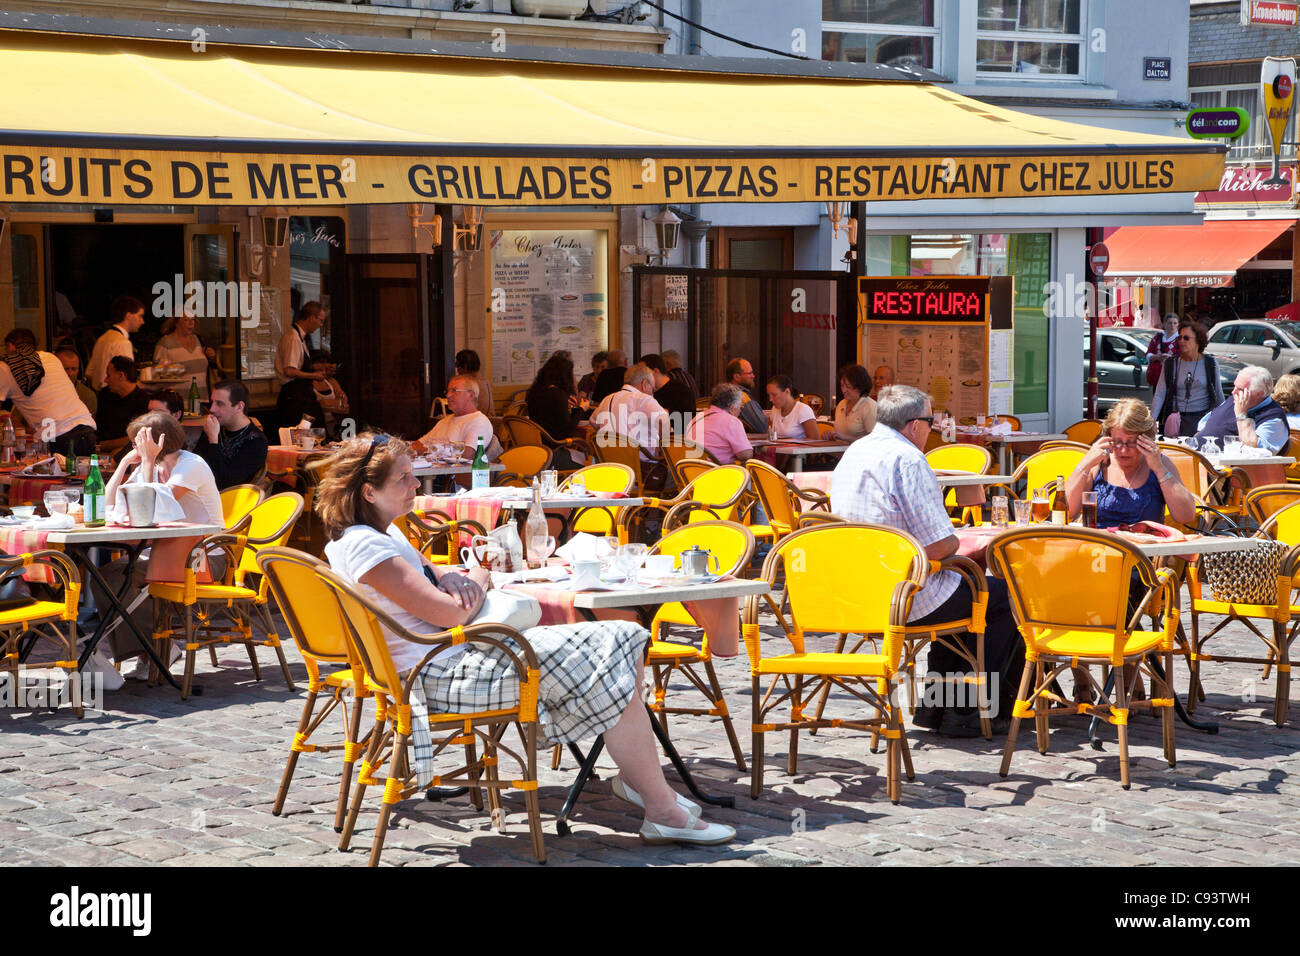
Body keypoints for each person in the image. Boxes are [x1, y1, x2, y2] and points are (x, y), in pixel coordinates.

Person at [319, 433, 735, 845]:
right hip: (442, 676)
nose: (415, 485)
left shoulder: (374, 535)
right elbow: (449, 612)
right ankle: (658, 805)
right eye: (404, 479)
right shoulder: (367, 547)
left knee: (621, 640)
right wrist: (479, 575)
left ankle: (642, 784)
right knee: (622, 639)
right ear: (370, 492)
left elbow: (429, 570)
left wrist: (449, 574)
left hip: (451, 659)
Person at [829, 385, 1024, 737]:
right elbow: (938, 544)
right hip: (904, 593)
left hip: (857, 591)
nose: (931, 430)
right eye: (931, 422)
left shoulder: (856, 450)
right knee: (1006, 596)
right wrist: (967, 546)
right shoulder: (908, 459)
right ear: (914, 425)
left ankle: (936, 710)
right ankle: (967, 711)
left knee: (962, 585)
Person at [97, 412, 225, 679]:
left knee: (128, 575)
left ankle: (156, 650)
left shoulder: (191, 465)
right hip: (166, 553)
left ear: (157, 442)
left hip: (204, 556)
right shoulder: (151, 467)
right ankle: (152, 650)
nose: (134, 447)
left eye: (137, 442)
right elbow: (106, 505)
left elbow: (150, 508)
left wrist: (146, 462)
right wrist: (123, 465)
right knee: (108, 575)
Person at [1065, 398, 1196, 528]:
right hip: (1100, 546)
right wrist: (1086, 463)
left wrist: (1159, 469)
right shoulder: (1099, 464)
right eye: (1117, 441)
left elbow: (1186, 516)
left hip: (1145, 545)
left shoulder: (1160, 463)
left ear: (1146, 439)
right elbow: (1067, 512)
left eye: (1131, 442)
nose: (1123, 449)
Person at [0, 329, 97, 456]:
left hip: (56, 434)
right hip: (85, 427)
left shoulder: (5, 367)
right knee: (83, 475)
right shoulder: (51, 358)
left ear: (10, 346)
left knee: (52, 475)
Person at [1195, 365, 1290, 454]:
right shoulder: (1234, 399)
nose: (1233, 392)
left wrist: (1241, 414)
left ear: (1259, 394)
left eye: (1240, 389)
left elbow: (1257, 449)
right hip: (1198, 456)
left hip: (1228, 468)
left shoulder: (1273, 417)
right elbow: (1205, 423)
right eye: (1234, 386)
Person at [1152, 320, 1222, 438]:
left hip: (1202, 421)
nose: (1181, 341)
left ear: (1198, 341)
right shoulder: (1170, 363)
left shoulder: (1210, 363)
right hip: (1176, 421)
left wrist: (1223, 420)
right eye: (1179, 338)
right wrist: (1152, 420)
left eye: (1186, 338)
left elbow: (1218, 395)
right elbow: (1159, 394)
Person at [195, 380, 269, 489]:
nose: (212, 409)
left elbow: (226, 483)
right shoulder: (215, 428)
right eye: (212, 402)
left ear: (239, 407)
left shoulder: (256, 441)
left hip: (230, 501)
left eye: (219, 404)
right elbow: (195, 467)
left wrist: (213, 441)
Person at [588, 362, 670, 458]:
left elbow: (593, 423)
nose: (652, 394)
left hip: (611, 463)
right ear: (644, 384)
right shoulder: (644, 399)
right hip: (643, 466)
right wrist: (662, 447)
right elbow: (664, 421)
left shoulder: (607, 399)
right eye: (652, 389)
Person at [411, 374, 500, 460]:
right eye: (448, 391)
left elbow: (467, 455)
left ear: (471, 395)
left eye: (454, 391)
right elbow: (416, 445)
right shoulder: (444, 421)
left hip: (453, 474)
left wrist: (427, 451)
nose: (448, 395)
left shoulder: (479, 422)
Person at [526, 353, 586, 469]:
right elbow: (567, 430)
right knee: (595, 460)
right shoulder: (558, 395)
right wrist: (581, 409)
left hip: (537, 450)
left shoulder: (534, 392)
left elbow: (552, 418)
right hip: (554, 453)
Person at [154, 311, 217, 402]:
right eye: (186, 320)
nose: (191, 323)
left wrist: (211, 356)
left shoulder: (199, 340)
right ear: (176, 322)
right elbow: (158, 374)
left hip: (201, 399)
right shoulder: (165, 343)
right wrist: (179, 369)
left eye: (193, 319)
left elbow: (204, 366)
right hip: (177, 401)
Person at [86, 295, 144, 390]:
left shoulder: (103, 338)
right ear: (128, 316)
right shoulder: (122, 342)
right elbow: (127, 381)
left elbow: (89, 372)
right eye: (140, 316)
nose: (142, 322)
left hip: (100, 397)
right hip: (115, 398)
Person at [96, 356, 152, 453]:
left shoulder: (143, 400)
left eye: (108, 375)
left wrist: (101, 446)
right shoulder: (105, 394)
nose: (105, 380)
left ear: (121, 375)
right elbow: (97, 428)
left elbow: (136, 437)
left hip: (125, 451)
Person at [685, 384, 752, 464]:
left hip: (691, 471)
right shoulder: (731, 421)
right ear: (732, 408)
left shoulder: (697, 418)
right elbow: (746, 455)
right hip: (717, 472)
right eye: (740, 407)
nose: (740, 411)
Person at [274, 301, 327, 388]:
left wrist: (314, 367)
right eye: (321, 321)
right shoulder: (294, 338)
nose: (321, 325)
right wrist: (314, 375)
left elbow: (298, 365)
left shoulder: (300, 336)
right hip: (294, 391)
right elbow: (289, 371)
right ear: (312, 318)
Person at [641, 352, 694, 430]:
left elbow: (688, 420)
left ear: (655, 371)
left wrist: (665, 413)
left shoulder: (681, 390)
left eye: (643, 373)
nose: (641, 377)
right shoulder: (647, 391)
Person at [308, 349, 349, 436]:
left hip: (335, 425)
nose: (325, 365)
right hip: (316, 429)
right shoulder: (307, 384)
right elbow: (316, 406)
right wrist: (333, 403)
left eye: (326, 362)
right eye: (320, 362)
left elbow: (344, 403)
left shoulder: (331, 381)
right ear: (311, 365)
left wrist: (325, 403)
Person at [832, 363, 877, 441]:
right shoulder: (842, 404)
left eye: (848, 386)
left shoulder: (869, 406)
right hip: (838, 451)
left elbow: (874, 440)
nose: (843, 390)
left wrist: (846, 438)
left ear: (860, 386)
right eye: (842, 385)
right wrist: (831, 435)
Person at [724, 357, 769, 435]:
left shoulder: (722, 394)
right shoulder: (742, 398)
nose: (753, 376)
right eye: (749, 373)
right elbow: (762, 427)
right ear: (736, 377)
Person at [765, 375, 818, 439]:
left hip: (798, 449)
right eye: (769, 395)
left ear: (787, 392)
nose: (770, 399)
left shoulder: (803, 410)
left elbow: (814, 439)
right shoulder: (774, 409)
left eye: (774, 395)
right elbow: (769, 435)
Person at [56, 348, 98, 417]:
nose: (70, 373)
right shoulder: (44, 392)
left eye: (74, 369)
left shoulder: (87, 396)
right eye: (65, 369)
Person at [1144, 313, 1180, 390]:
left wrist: (1170, 358)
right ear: (1164, 324)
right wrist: (1157, 357)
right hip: (1157, 376)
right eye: (1169, 323)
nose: (1172, 326)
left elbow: (1183, 357)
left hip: (1172, 377)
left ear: (1178, 325)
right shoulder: (1157, 337)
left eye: (1175, 323)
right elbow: (1148, 353)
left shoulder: (1180, 340)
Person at [455, 348, 494, 418]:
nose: (457, 369)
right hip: (490, 422)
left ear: (465, 366)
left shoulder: (468, 383)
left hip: (477, 423)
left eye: (457, 365)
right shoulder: (485, 381)